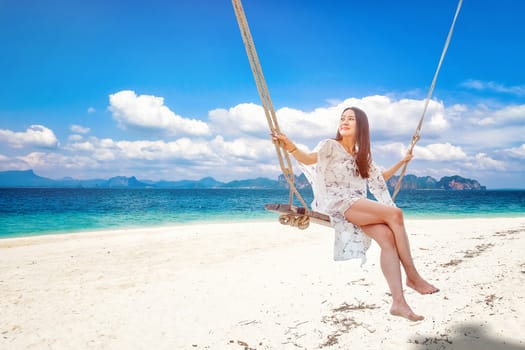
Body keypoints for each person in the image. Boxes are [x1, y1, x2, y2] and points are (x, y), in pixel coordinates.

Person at [273, 106, 438, 321]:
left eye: (350, 118)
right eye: (342, 118)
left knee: (388, 238)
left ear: (361, 126)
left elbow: (380, 177)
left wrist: (402, 162)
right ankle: (413, 276)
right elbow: (309, 159)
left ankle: (398, 302)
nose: (345, 121)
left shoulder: (362, 156)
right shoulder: (330, 146)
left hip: (356, 206)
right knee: (395, 214)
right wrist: (290, 146)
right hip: (336, 203)